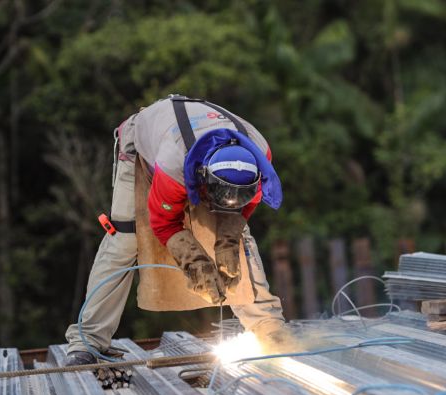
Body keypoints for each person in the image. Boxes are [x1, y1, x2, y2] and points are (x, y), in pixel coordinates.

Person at [64, 95, 291, 365]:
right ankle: (87, 341)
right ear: (204, 177)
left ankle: (270, 330)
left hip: (195, 155)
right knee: (125, 238)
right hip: (143, 150)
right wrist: (195, 262)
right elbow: (163, 223)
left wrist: (228, 239)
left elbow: (242, 210)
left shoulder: (259, 157)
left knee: (240, 242)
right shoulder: (174, 166)